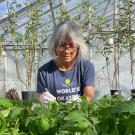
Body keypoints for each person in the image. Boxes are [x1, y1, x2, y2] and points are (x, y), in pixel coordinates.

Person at [37, 20, 95, 103]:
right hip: (54, 114)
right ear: (55, 45)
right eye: (62, 45)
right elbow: (40, 96)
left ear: (79, 46)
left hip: (79, 113)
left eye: (72, 45)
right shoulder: (44, 72)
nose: (67, 51)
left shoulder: (86, 67)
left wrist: (78, 102)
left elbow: (89, 95)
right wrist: (42, 99)